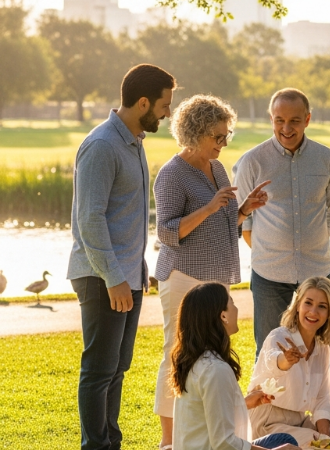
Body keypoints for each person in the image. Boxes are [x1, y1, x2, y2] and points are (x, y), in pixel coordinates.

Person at [153, 94, 271, 448]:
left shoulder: (217, 168)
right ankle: (169, 440)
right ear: (194, 132)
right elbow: (167, 233)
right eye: (216, 137)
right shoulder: (172, 174)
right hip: (184, 276)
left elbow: (223, 225)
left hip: (216, 274)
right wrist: (207, 208)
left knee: (211, 354)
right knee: (176, 353)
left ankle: (213, 430)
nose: (223, 143)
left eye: (226, 136)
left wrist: (244, 210)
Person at [67, 63, 175, 450]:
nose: (167, 112)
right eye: (163, 104)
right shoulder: (102, 146)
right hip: (102, 276)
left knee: (116, 369)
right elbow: (89, 219)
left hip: (127, 274)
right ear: (143, 101)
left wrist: (138, 269)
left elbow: (125, 214)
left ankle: (110, 442)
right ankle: (96, 446)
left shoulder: (133, 140)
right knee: (98, 370)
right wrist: (113, 277)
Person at [233, 88, 330, 356]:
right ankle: (270, 400)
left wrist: (312, 242)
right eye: (279, 120)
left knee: (323, 348)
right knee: (270, 349)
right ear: (271, 119)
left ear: (307, 119)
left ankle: (321, 399)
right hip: (269, 274)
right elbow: (242, 221)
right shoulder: (252, 161)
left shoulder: (326, 158)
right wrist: (270, 250)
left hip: (317, 269)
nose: (286, 127)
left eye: (294, 120)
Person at [170, 282, 300, 450]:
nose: (236, 309)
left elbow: (205, 415)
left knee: (282, 439)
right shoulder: (215, 369)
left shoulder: (196, 362)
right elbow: (224, 443)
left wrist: (243, 403)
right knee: (287, 445)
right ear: (223, 316)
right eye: (232, 302)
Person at [247, 277, 330, 446]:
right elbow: (272, 362)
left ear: (329, 313)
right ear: (298, 305)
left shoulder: (322, 348)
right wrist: (286, 360)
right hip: (267, 422)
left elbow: (322, 399)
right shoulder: (278, 336)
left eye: (322, 306)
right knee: (315, 442)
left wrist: (325, 434)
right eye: (308, 303)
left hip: (298, 419)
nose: (313, 312)